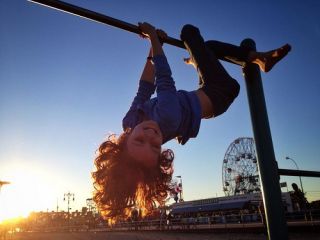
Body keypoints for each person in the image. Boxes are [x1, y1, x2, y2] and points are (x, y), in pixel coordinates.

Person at [92, 22, 291, 220]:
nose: (151, 135)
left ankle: (253, 58)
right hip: (221, 92)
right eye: (155, 146)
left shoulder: (129, 121)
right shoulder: (167, 119)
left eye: (139, 141)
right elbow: (163, 78)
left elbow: (144, 87)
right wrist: (153, 37)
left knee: (208, 48)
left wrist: (154, 46)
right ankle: (239, 58)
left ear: (124, 141)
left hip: (202, 90)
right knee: (188, 33)